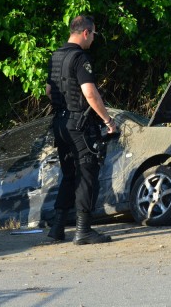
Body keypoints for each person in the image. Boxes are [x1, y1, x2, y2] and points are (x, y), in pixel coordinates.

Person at [45, 15, 117, 245]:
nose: (94, 39)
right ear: (85, 32)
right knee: (87, 174)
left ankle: (57, 228)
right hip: (79, 124)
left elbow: (49, 90)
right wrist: (107, 120)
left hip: (60, 123)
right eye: (94, 34)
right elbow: (90, 93)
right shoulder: (79, 57)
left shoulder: (56, 56)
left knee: (68, 174)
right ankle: (83, 230)